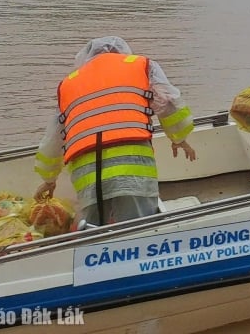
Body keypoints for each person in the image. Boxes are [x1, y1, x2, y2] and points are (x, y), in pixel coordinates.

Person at [34, 36, 197, 226]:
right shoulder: (141, 66)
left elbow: (53, 138)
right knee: (137, 234)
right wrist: (179, 137)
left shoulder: (69, 84)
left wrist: (49, 179)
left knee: (93, 237)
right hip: (133, 171)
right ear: (122, 52)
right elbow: (169, 103)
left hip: (88, 180)